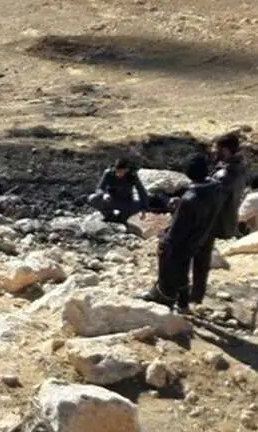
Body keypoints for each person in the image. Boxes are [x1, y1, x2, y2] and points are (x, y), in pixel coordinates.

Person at [138, 154, 221, 312]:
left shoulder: (189, 199)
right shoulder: (215, 188)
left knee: (171, 260)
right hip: (202, 236)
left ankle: (164, 295)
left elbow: (175, 234)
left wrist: (163, 238)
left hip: (185, 241)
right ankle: (184, 304)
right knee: (185, 267)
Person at [195, 133, 247, 304]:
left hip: (212, 222)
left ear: (224, 151)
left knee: (198, 259)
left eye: (216, 148)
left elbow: (211, 201)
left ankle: (193, 296)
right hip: (226, 219)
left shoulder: (223, 176)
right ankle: (197, 294)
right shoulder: (240, 169)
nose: (213, 151)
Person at [87, 157, 149, 223]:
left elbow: (141, 191)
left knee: (139, 205)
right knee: (92, 198)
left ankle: (122, 218)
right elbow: (99, 188)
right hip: (110, 199)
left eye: (121, 172)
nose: (118, 174)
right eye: (117, 171)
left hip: (126, 201)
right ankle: (110, 216)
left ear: (127, 170)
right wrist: (104, 194)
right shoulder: (108, 173)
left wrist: (144, 209)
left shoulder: (132, 176)